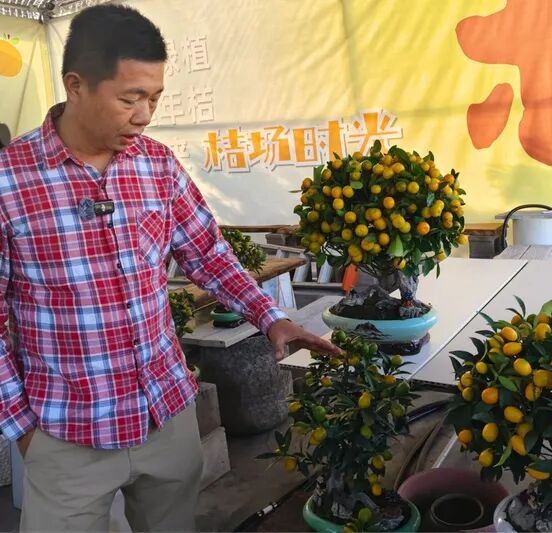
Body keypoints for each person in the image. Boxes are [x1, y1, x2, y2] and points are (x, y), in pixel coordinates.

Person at [0, 5, 340, 531]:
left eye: (155, 98)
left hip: (166, 414)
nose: (144, 115)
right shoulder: (10, 181)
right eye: (129, 98)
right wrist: (22, 427)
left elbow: (208, 252)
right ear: (76, 85)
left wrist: (270, 316)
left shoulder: (156, 164)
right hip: (66, 432)